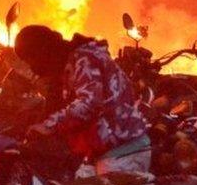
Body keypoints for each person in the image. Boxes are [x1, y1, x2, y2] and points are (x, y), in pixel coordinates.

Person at [14, 25, 151, 174]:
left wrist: (48, 126)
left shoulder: (85, 60)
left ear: (42, 51)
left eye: (31, 59)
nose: (33, 67)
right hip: (98, 153)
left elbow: (89, 104)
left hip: (123, 152)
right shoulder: (65, 69)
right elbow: (55, 107)